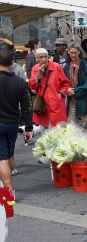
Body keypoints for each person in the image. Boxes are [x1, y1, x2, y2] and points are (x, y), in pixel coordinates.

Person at [0, 48, 33, 191]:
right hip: (12, 123)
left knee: (2, 157)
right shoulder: (20, 82)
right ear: (12, 62)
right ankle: (8, 181)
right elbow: (26, 107)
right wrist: (29, 128)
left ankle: (9, 189)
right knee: (9, 153)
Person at [28, 48, 70, 128]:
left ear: (48, 57)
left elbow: (66, 83)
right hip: (42, 104)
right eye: (41, 57)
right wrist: (38, 76)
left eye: (45, 56)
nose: (44, 59)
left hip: (56, 103)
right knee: (44, 132)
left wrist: (60, 94)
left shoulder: (56, 66)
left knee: (58, 130)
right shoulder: (35, 69)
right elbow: (32, 86)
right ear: (37, 59)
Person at [64, 44, 87, 131]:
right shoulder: (66, 66)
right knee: (71, 124)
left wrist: (76, 90)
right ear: (68, 53)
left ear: (79, 52)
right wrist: (67, 89)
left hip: (84, 98)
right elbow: (62, 82)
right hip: (70, 99)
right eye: (71, 53)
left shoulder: (85, 66)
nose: (73, 55)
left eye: (75, 52)